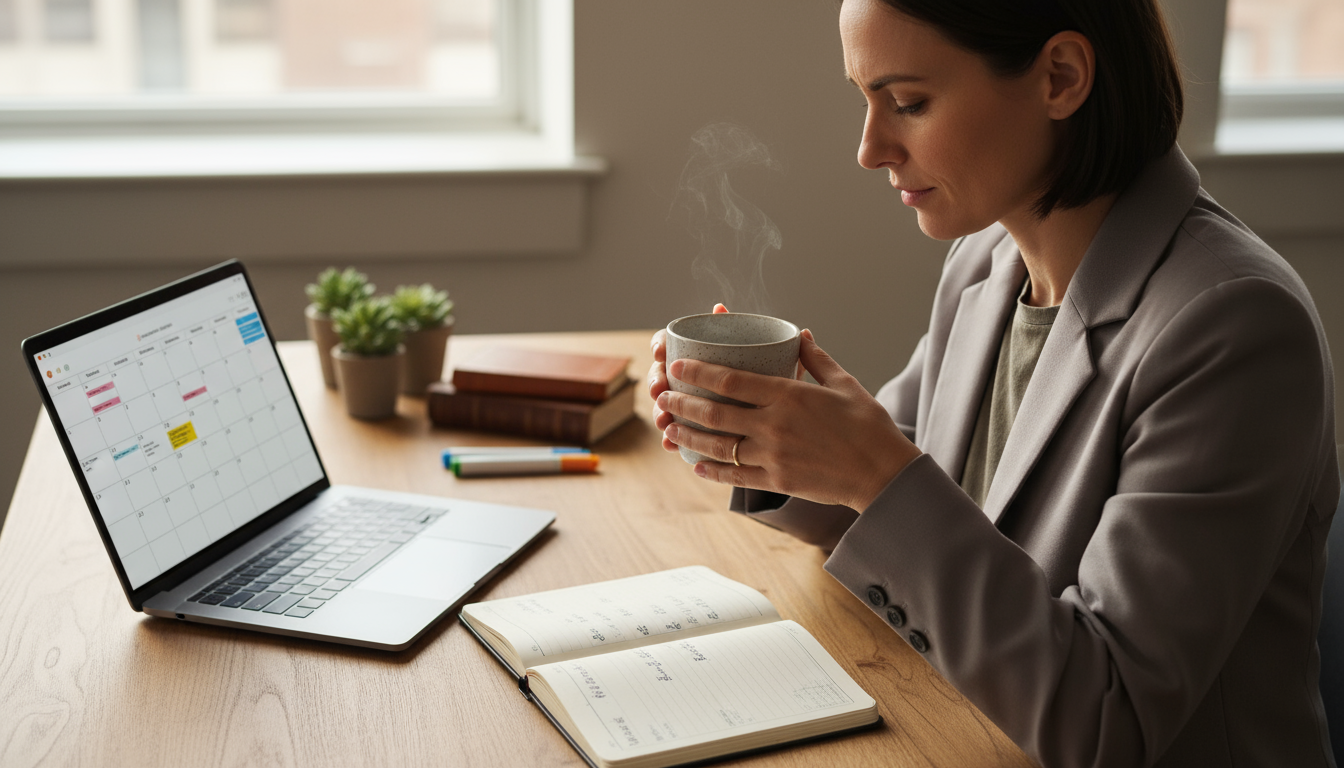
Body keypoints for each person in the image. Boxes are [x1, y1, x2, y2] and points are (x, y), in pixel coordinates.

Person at [648, 0, 1340, 766]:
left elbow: (1107, 720)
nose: (871, 148)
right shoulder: (987, 262)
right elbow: (892, 519)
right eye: (866, 99)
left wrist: (875, 474)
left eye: (907, 102)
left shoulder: (1233, 327)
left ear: (1061, 77)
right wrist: (769, 436)